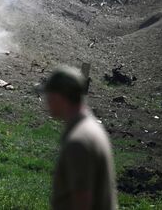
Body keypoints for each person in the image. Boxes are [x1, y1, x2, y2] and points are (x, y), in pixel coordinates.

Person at [44, 65, 117, 210]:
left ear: (58, 97)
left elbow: (82, 200)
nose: (46, 100)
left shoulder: (78, 142)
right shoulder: (92, 128)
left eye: (49, 95)